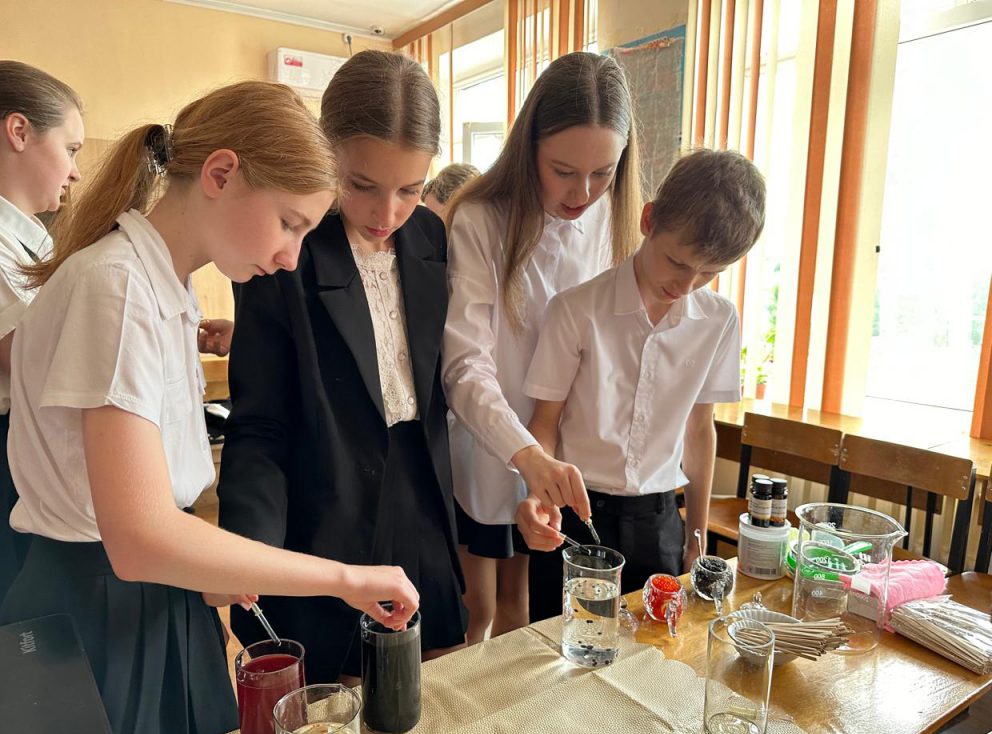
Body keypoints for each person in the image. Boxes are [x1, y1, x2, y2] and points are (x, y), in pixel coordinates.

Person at [0, 80, 418, 734]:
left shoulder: (162, 282)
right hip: (98, 602)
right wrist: (346, 579)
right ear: (221, 174)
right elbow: (138, 537)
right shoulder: (115, 285)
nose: (291, 258)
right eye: (290, 223)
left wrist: (208, 563)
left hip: (148, 595)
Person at [218, 50, 467, 684]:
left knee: (436, 679)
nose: (387, 214)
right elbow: (260, 421)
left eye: (410, 189)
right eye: (361, 185)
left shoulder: (431, 238)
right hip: (326, 501)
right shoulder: (285, 248)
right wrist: (247, 547)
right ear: (326, 152)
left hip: (422, 496)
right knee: (339, 692)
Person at [442, 51, 643, 642]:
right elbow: (465, 364)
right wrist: (526, 454)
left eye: (603, 173)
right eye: (563, 170)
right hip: (492, 443)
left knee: (536, 614)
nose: (584, 192)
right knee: (479, 612)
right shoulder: (481, 219)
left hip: (571, 451)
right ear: (528, 147)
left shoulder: (616, 222)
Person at [515, 149, 766, 616]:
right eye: (677, 262)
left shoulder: (718, 320)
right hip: (576, 513)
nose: (687, 285)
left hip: (660, 520)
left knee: (658, 651)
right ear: (649, 221)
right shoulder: (577, 309)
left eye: (710, 273)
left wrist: (697, 535)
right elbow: (544, 422)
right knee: (562, 651)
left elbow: (699, 430)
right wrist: (536, 494)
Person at [0, 61, 83, 632]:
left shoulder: (22, 240)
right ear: (18, 131)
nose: (75, 172)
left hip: (23, 450)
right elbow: (35, 364)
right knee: (10, 633)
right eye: (71, 148)